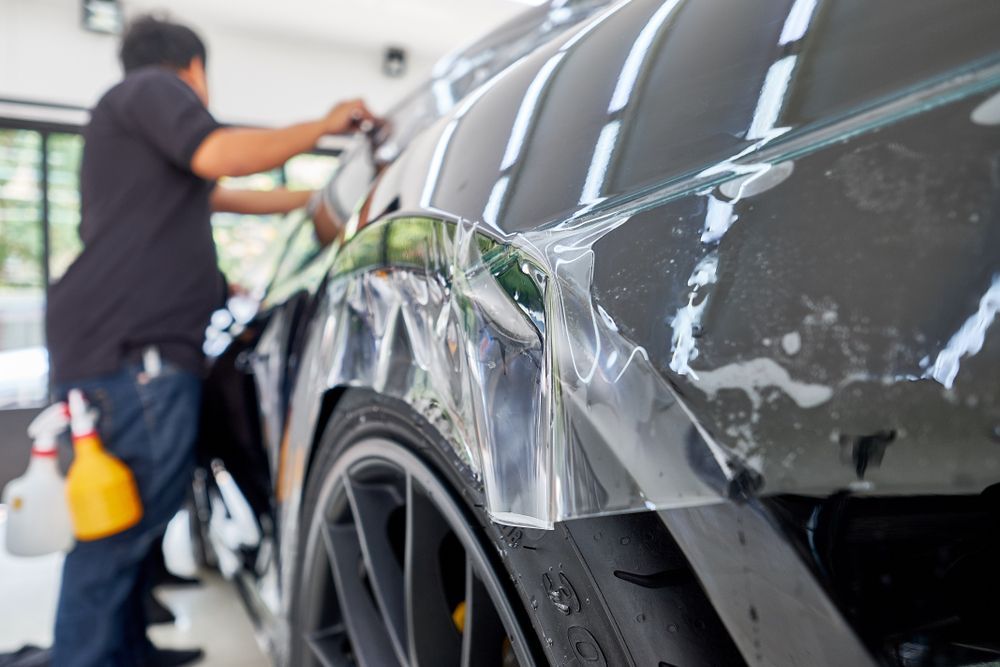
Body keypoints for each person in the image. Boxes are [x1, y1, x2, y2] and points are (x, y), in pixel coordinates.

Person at [41, 15, 380, 667]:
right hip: (131, 353)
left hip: (124, 347)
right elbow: (220, 155)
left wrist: (325, 198)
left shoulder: (133, 137)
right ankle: (81, 657)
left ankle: (127, 650)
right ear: (194, 68)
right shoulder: (154, 89)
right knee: (116, 526)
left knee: (136, 514)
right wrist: (323, 125)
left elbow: (222, 193)